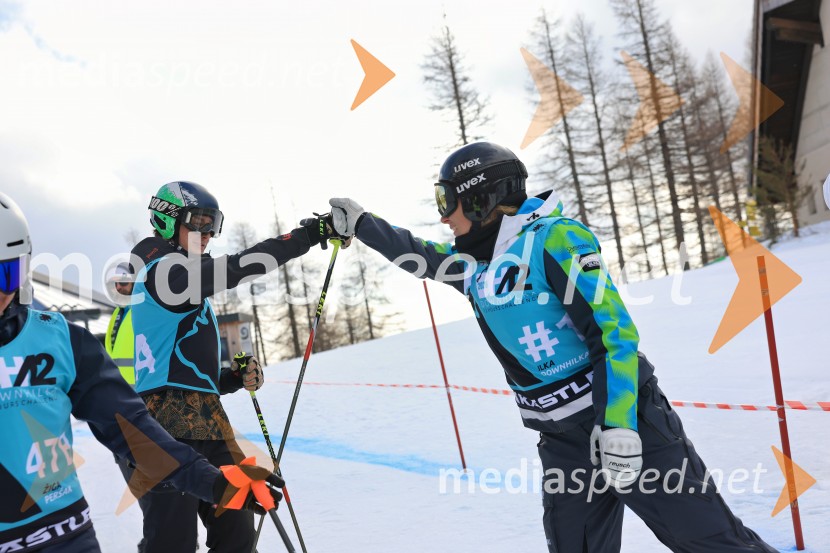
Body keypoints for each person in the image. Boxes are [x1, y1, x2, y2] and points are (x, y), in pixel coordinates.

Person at [327, 142, 778, 552]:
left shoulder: (554, 237)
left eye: (448, 200)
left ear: (481, 197)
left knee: (709, 542)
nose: (444, 216)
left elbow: (613, 333)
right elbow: (421, 255)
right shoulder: (475, 263)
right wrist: (363, 225)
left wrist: (618, 424)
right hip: (563, 441)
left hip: (627, 422)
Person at [0, 192, 283, 553]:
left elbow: (168, 377)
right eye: (121, 282)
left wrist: (228, 378)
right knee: (172, 540)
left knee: (230, 537)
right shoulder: (127, 313)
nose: (126, 286)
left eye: (7, 274)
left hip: (145, 435)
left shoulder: (68, 335)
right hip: (154, 420)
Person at [129, 181, 336, 553]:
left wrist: (230, 379)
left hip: (205, 419)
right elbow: (238, 267)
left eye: (214, 224)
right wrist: (306, 237)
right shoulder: (163, 273)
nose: (208, 233)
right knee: (172, 543)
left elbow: (183, 370)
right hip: (163, 423)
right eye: (198, 222)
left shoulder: (180, 279)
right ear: (166, 220)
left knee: (238, 534)